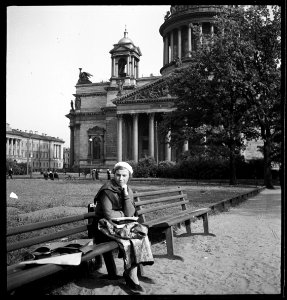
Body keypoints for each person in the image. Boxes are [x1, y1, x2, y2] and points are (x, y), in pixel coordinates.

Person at [92, 162, 154, 294]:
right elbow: (108, 215)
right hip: (103, 227)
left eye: (124, 175)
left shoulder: (128, 190)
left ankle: (132, 273)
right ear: (114, 175)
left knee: (140, 235)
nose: (120, 178)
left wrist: (125, 194)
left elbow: (130, 213)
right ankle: (132, 276)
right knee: (129, 239)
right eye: (118, 175)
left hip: (120, 226)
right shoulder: (106, 190)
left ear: (129, 176)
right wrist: (123, 214)